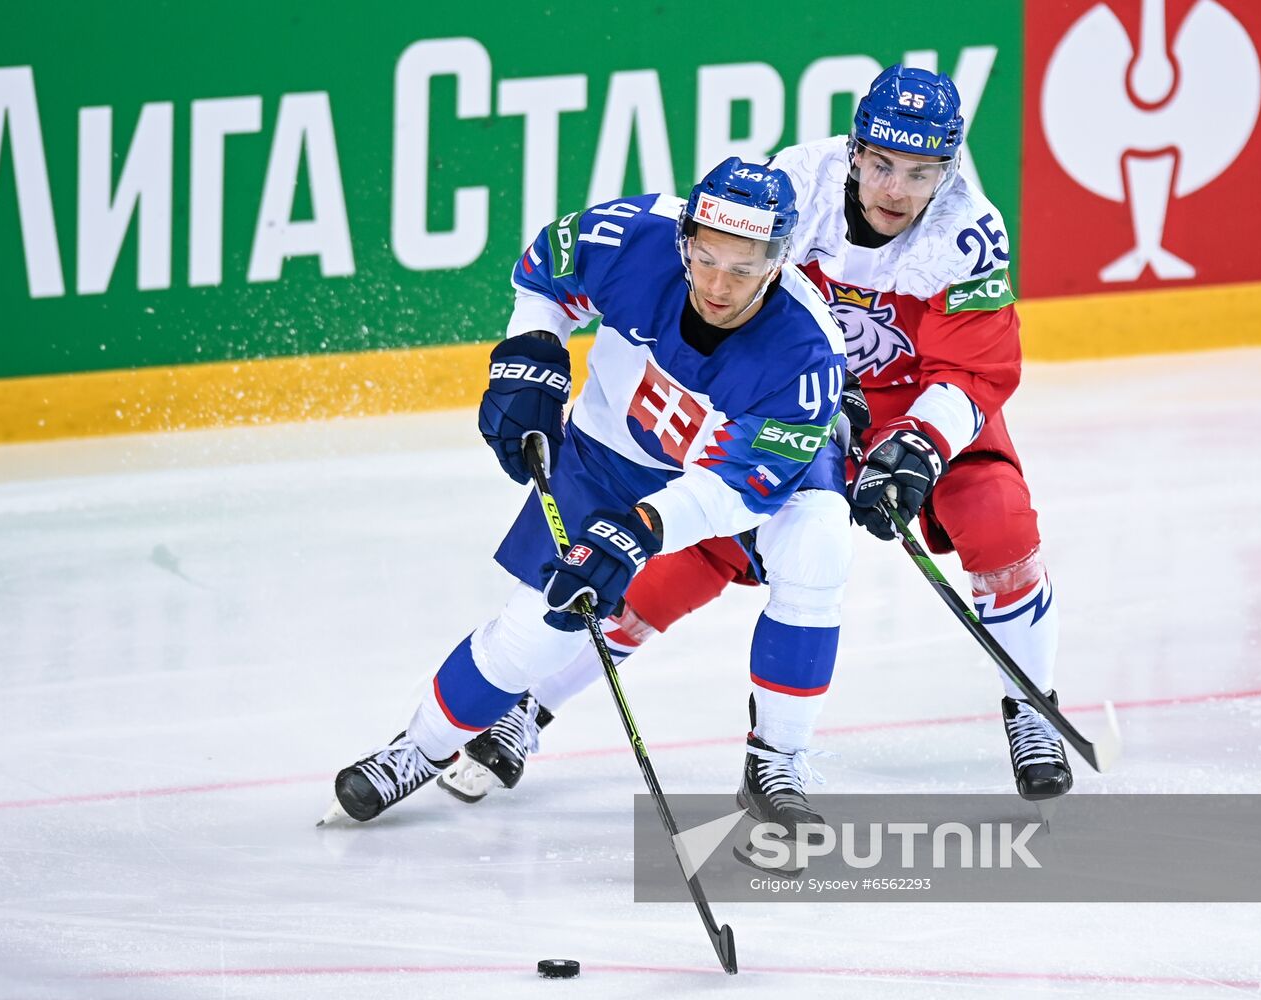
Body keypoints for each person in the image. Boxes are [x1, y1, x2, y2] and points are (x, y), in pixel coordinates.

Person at [440, 65, 1072, 807]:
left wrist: (921, 445)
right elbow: (716, 286)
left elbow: (975, 368)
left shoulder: (969, 232)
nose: (895, 191)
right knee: (683, 556)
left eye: (920, 172)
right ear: (854, 149)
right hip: (789, 403)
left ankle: (1031, 703)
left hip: (916, 401)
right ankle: (529, 705)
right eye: (879, 165)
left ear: (950, 167)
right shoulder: (793, 189)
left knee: (997, 520)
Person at [321, 157, 850, 827]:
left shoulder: (807, 351)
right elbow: (546, 269)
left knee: (818, 546)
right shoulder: (633, 235)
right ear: (684, 238)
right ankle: (418, 750)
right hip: (609, 457)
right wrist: (535, 347)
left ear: (777, 264)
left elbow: (739, 489)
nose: (717, 285)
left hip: (728, 483)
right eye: (705, 257)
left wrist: (644, 529)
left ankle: (777, 759)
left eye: (743, 270)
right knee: (538, 636)